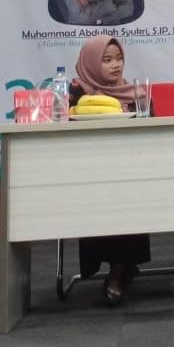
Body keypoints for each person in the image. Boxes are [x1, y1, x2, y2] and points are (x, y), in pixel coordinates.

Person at [71, 34, 151, 305]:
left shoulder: (134, 93)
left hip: (131, 171)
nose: (115, 65)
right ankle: (119, 269)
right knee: (100, 197)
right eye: (107, 60)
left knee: (129, 195)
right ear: (91, 63)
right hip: (91, 174)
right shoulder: (76, 94)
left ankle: (118, 272)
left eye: (119, 59)